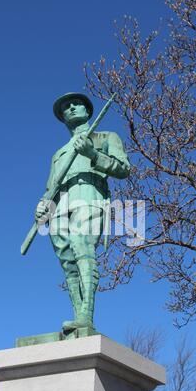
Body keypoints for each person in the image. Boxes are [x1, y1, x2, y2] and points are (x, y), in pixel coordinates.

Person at [35, 92, 130, 332]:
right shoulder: (58, 154)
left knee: (82, 249)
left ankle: (86, 316)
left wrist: (93, 154)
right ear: (62, 117)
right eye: (66, 107)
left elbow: (123, 169)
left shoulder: (105, 137)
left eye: (77, 104)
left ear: (88, 111)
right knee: (68, 263)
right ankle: (77, 315)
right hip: (60, 210)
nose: (72, 107)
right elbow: (50, 188)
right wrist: (42, 207)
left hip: (89, 198)